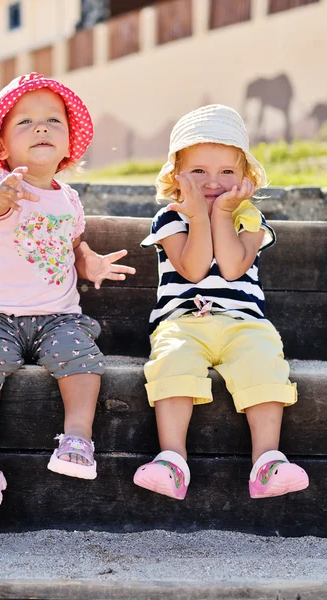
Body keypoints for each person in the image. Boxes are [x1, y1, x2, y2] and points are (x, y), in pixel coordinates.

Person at [0, 72, 135, 516]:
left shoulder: (69, 200)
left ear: (69, 141)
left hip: (57, 317)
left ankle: (77, 436)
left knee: (83, 358)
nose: (40, 128)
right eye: (25, 122)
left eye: (53, 120)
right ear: (3, 147)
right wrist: (3, 191)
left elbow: (71, 244)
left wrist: (88, 261)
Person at [133, 104, 309, 501]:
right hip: (183, 323)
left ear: (244, 177)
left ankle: (267, 461)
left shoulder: (249, 220)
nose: (213, 182)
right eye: (199, 172)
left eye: (226, 172)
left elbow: (231, 267)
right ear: (177, 176)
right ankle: (171, 459)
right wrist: (198, 217)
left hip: (244, 323)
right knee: (172, 362)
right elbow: (194, 270)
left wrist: (223, 214)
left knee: (264, 362)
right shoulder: (171, 218)